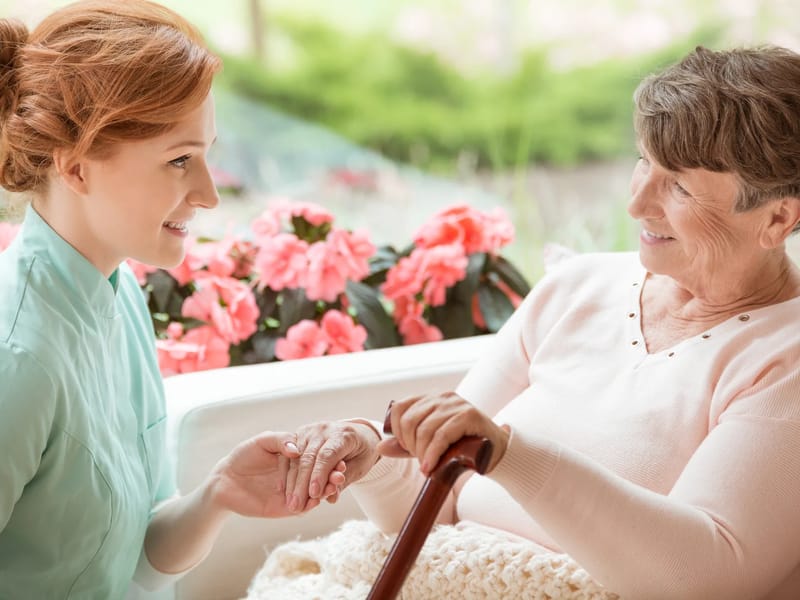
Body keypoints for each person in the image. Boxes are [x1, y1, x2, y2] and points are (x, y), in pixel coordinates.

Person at [278, 45, 800, 599]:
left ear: (777, 217)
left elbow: (705, 579)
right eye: (644, 161)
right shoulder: (576, 289)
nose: (638, 203)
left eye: (680, 186)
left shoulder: (781, 359)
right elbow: (437, 498)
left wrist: (510, 455)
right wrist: (370, 460)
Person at [0, 2, 344, 597]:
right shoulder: (18, 359)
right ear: (76, 167)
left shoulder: (117, 294)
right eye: (179, 160)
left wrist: (218, 495)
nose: (209, 194)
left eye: (206, 154)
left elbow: (130, 559)